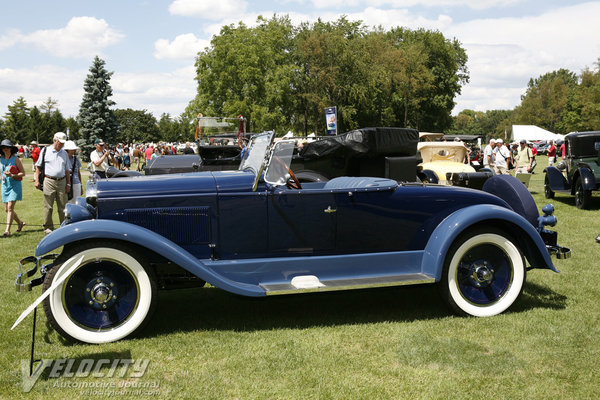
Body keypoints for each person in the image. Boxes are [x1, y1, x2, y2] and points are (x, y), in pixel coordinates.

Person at [34, 132, 71, 234]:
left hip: (62, 181)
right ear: (55, 140)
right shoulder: (45, 151)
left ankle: (64, 227)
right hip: (49, 181)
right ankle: (48, 228)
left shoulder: (64, 153)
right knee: (48, 206)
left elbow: (67, 170)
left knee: (63, 206)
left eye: (63, 143)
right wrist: (36, 180)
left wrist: (68, 184)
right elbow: (38, 167)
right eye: (61, 142)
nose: (62, 145)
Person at [1, 139, 26, 236]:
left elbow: (22, 173)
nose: (6, 149)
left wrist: (11, 175)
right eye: (4, 147)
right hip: (5, 185)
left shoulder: (16, 159)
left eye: (8, 147)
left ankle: (7, 230)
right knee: (7, 209)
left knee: (10, 207)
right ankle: (20, 223)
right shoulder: (0, 159)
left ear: (11, 149)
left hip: (15, 185)